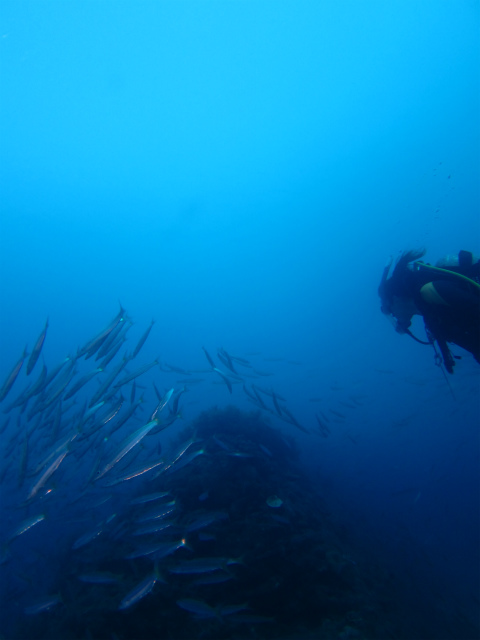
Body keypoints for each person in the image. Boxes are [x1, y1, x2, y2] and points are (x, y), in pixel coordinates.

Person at [378, 249, 480, 373]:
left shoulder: (429, 291)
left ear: (396, 298)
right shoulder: (431, 310)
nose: (394, 316)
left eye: (390, 310)